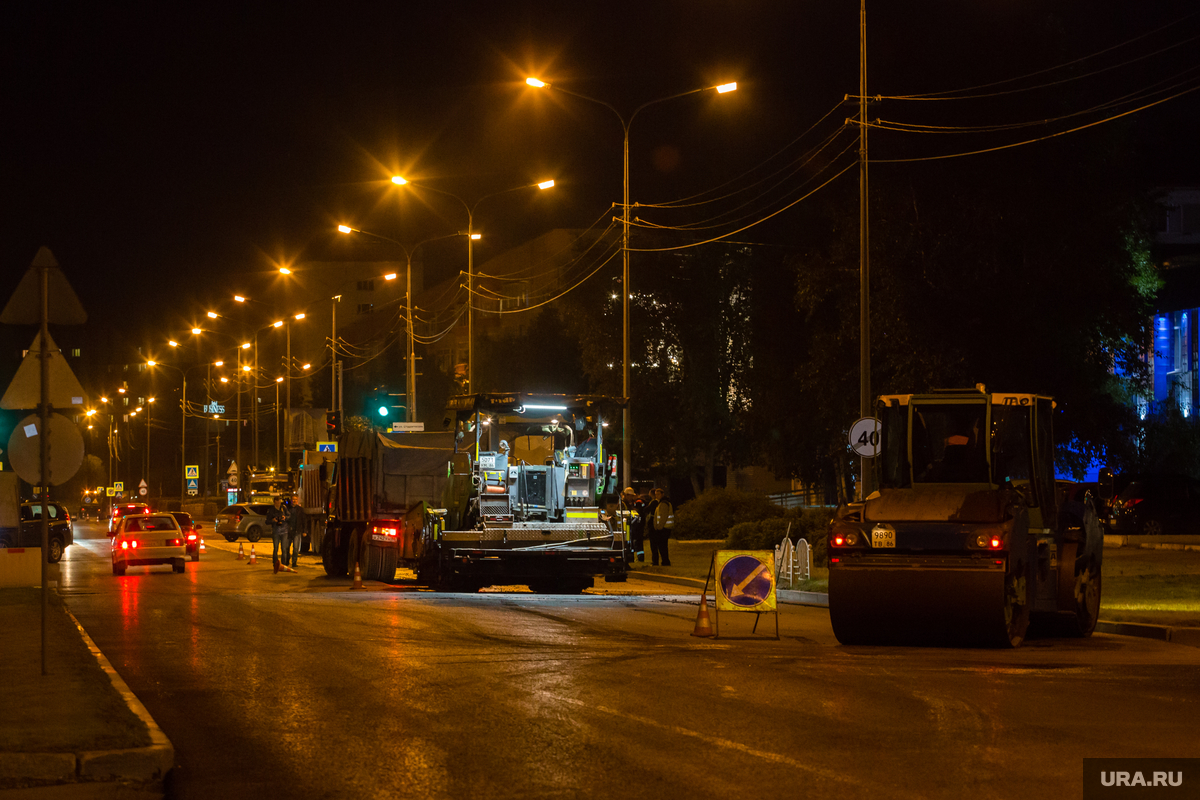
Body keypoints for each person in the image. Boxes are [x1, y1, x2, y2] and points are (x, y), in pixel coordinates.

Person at [646, 487, 673, 567]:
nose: (657, 496)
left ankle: (665, 561)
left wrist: (659, 527)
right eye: (656, 494)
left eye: (658, 494)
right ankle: (665, 561)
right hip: (664, 528)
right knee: (662, 546)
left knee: (662, 546)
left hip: (664, 529)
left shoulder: (664, 503)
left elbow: (663, 517)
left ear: (662, 494)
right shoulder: (661, 503)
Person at [620, 487, 646, 564]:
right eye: (630, 496)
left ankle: (632, 559)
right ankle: (627, 560)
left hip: (631, 528)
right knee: (627, 544)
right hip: (626, 528)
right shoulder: (623, 504)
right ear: (626, 495)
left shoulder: (630, 503)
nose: (632, 498)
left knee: (631, 544)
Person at [265, 494, 289, 574]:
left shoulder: (284, 508)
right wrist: (273, 520)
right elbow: (267, 521)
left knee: (284, 549)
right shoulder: (271, 510)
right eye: (277, 503)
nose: (278, 505)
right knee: (275, 548)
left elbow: (289, 516)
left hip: (284, 530)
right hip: (275, 531)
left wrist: (285, 518)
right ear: (274, 502)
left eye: (279, 503)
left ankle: (283, 564)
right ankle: (275, 563)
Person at [286, 495, 307, 569]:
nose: (294, 501)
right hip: (288, 531)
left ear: (297, 500)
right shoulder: (288, 509)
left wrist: (304, 531)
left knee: (295, 548)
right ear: (291, 500)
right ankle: (286, 561)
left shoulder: (300, 510)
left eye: (295, 499)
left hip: (297, 531)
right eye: (293, 499)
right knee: (287, 547)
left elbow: (304, 520)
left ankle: (294, 562)